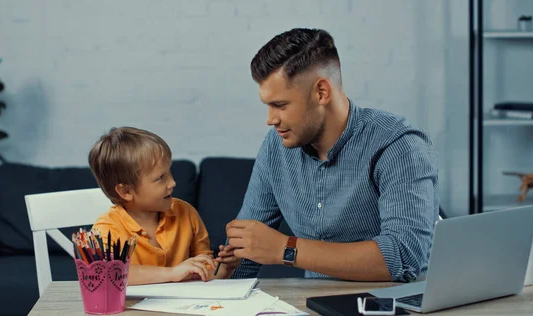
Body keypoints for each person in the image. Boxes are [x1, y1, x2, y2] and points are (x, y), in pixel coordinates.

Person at [216, 28, 439, 282]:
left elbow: (404, 256)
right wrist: (220, 277)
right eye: (268, 106)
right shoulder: (276, 146)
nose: (270, 119)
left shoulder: (399, 146)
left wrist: (285, 249)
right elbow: (247, 248)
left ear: (321, 92)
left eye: (280, 105)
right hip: (313, 304)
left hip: (396, 304)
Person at [89, 127, 237, 285]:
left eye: (169, 172)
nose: (172, 183)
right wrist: (172, 273)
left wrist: (225, 268)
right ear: (125, 191)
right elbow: (108, 273)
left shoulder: (186, 213)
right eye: (160, 177)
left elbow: (203, 269)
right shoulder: (106, 230)